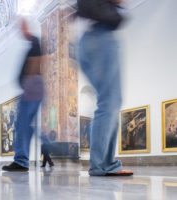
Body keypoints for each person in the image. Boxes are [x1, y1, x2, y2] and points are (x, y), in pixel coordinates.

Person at [72, 0, 133, 176]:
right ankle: (102, 165)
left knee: (110, 102)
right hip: (100, 37)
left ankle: (104, 163)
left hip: (91, 39)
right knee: (109, 101)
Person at [2, 18, 44, 172]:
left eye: (21, 27)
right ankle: (22, 159)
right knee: (25, 125)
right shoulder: (33, 43)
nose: (20, 31)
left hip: (32, 86)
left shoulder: (34, 41)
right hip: (33, 86)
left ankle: (21, 160)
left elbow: (37, 61)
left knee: (21, 124)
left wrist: (29, 83)